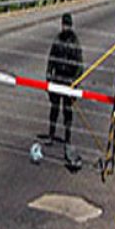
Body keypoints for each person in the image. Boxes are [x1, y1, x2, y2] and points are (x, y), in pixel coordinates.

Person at [41, 13, 83, 144]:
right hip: (57, 78)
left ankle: (67, 138)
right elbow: (51, 59)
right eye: (64, 24)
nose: (65, 27)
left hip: (69, 80)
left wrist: (75, 82)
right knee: (54, 108)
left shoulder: (75, 42)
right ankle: (51, 134)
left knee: (67, 110)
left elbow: (80, 66)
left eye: (67, 25)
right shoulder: (57, 40)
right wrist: (48, 76)